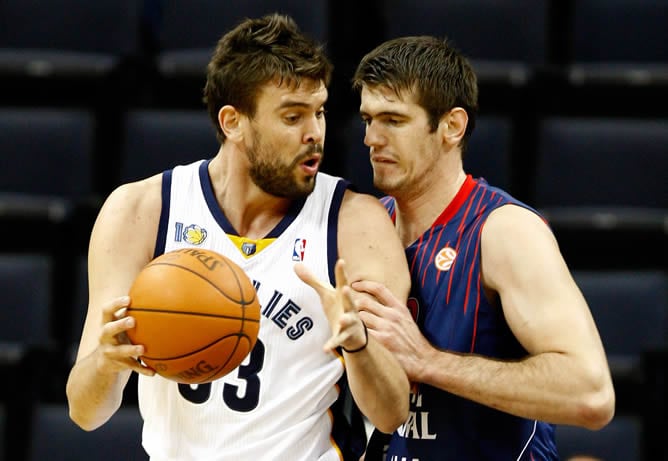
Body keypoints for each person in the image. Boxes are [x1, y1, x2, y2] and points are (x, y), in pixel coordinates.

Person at [66, 14, 411, 461]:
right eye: (292, 116)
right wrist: (105, 364)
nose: (315, 134)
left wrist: (358, 344)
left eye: (320, 111)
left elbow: (391, 413)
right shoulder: (142, 210)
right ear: (233, 121)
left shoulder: (355, 222)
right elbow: (85, 412)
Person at [349, 36, 616, 460]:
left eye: (393, 121)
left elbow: (591, 393)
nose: (371, 138)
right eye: (367, 119)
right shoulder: (364, 228)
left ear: (452, 126)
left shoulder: (504, 231)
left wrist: (430, 362)